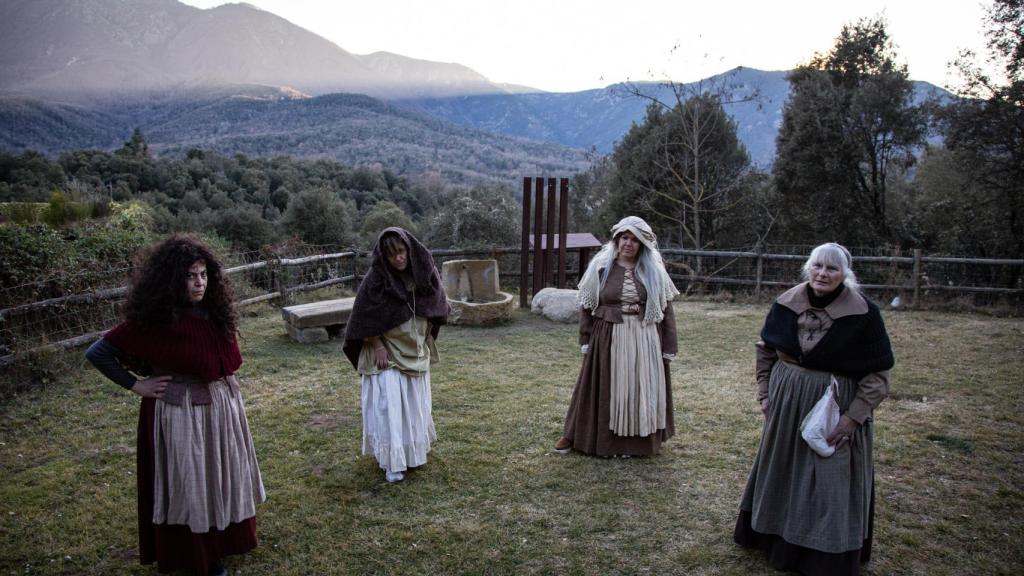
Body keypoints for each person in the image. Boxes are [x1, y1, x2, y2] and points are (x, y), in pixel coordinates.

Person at [85, 235, 265, 576]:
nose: (199, 283)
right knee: (192, 482)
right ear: (172, 279)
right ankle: (200, 554)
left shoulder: (215, 313)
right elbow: (98, 353)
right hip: (182, 413)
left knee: (220, 476)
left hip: (221, 406)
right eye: (190, 276)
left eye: (203, 274)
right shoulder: (156, 321)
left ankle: (224, 542)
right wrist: (137, 384)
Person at [734, 242, 895, 576]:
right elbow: (766, 349)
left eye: (832, 269)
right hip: (788, 400)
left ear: (845, 274)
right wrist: (765, 392)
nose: (823, 274)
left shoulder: (864, 313)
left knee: (831, 476)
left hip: (837, 403)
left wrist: (853, 418)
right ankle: (776, 539)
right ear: (808, 267)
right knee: (783, 467)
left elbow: (878, 375)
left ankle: (826, 552)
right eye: (817, 266)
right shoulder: (787, 302)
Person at [554, 215, 679, 457]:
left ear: (642, 244)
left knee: (641, 388)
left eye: (634, 239)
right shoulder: (600, 268)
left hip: (645, 336)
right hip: (608, 336)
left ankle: (636, 445)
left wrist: (669, 345)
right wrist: (586, 340)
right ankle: (577, 435)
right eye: (624, 237)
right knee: (598, 387)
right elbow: (587, 307)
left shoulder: (653, 271)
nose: (628, 243)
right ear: (616, 240)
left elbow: (666, 309)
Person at [343, 227, 450, 483]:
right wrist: (378, 345)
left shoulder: (423, 274)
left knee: (412, 405)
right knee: (390, 406)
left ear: (409, 250)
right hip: (387, 352)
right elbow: (362, 319)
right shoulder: (376, 280)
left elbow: (437, 304)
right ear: (384, 257)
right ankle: (392, 462)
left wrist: (429, 329)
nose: (398, 258)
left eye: (401, 251)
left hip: (414, 348)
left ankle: (412, 453)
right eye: (392, 255)